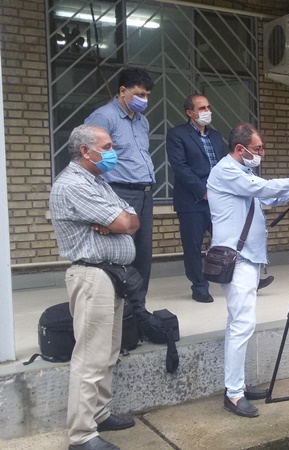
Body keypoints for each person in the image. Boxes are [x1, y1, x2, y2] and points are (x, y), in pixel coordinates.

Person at [207, 123, 289, 418]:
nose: (261, 153)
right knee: (242, 324)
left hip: (246, 259)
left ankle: (236, 385)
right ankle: (233, 394)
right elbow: (263, 189)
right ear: (241, 149)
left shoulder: (242, 173)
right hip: (236, 260)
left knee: (238, 324)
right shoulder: (226, 172)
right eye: (258, 148)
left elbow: (270, 197)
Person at [50, 125, 140, 450]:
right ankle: (82, 436)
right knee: (90, 357)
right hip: (91, 276)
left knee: (108, 353)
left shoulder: (98, 182)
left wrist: (118, 222)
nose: (113, 152)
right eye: (108, 146)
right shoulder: (73, 184)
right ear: (85, 151)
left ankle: (100, 414)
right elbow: (124, 222)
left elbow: (133, 220)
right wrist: (119, 222)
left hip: (110, 275)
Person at [84, 67, 155, 306]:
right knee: (120, 252)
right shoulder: (103, 117)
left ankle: (138, 309)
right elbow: (88, 158)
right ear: (123, 91)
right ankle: (117, 309)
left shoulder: (142, 121)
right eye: (139, 94)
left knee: (143, 254)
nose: (144, 99)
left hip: (145, 193)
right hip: (118, 192)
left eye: (147, 95)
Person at [166, 94, 227, 303]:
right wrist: (203, 191)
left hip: (219, 199)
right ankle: (199, 286)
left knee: (228, 241)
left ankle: (242, 279)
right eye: (202, 108)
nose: (207, 111)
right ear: (189, 113)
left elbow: (224, 165)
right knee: (193, 246)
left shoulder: (216, 136)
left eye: (208, 107)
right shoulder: (177, 135)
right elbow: (180, 167)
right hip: (192, 201)